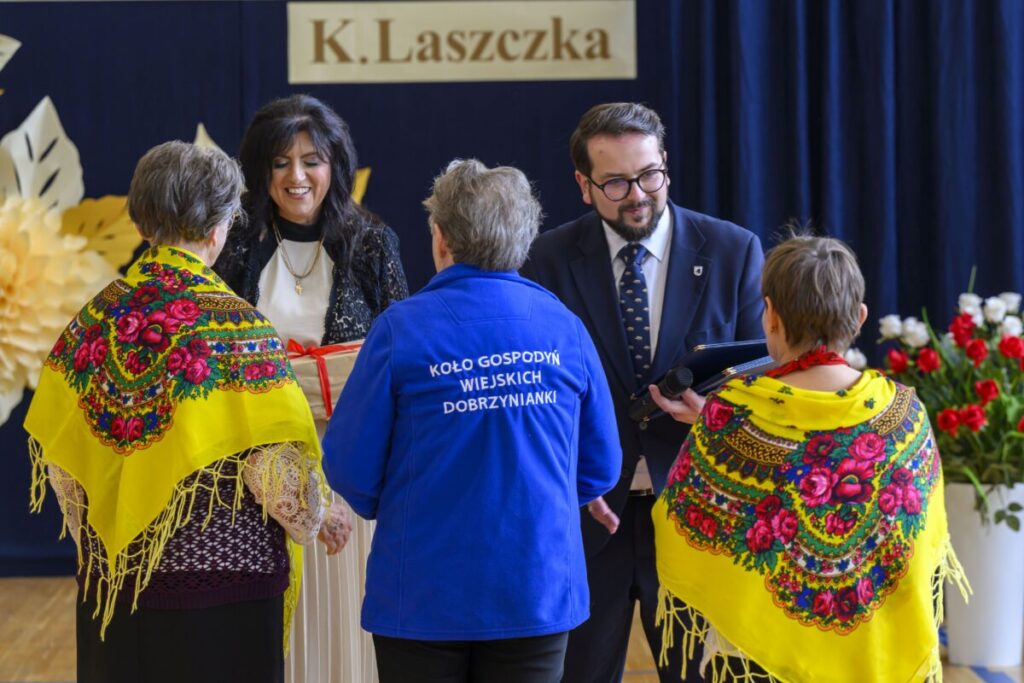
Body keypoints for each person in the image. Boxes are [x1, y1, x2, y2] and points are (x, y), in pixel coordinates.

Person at [24, 141, 346, 683]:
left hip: (113, 584)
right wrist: (322, 516)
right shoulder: (236, 329)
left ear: (143, 220)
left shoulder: (95, 319)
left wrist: (108, 540)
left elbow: (63, 466)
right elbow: (275, 476)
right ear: (219, 227)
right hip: (222, 594)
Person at [321, 159, 622, 683]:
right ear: (524, 242)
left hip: (423, 593)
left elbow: (349, 467)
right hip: (536, 588)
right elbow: (600, 468)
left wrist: (396, 506)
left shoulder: (400, 330)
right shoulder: (564, 328)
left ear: (440, 238)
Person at [649, 234, 968, 682]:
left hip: (759, 664)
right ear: (858, 317)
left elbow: (680, 525)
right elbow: (919, 541)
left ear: (772, 315)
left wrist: (714, 427)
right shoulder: (904, 414)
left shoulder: (733, 415)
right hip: (876, 659)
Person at [521, 102, 765, 682]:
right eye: (615, 182)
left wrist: (715, 415)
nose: (638, 195)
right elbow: (533, 391)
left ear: (666, 167)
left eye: (649, 174)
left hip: (695, 517)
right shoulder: (545, 260)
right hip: (589, 518)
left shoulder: (732, 252)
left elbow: (762, 381)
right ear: (583, 185)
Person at [214, 93, 409, 683]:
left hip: (353, 463)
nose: (296, 177)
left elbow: (403, 354)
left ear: (336, 165)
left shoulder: (373, 242)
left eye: (312, 160)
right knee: (280, 629)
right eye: (280, 162)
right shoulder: (237, 243)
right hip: (260, 468)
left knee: (350, 623)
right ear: (259, 170)